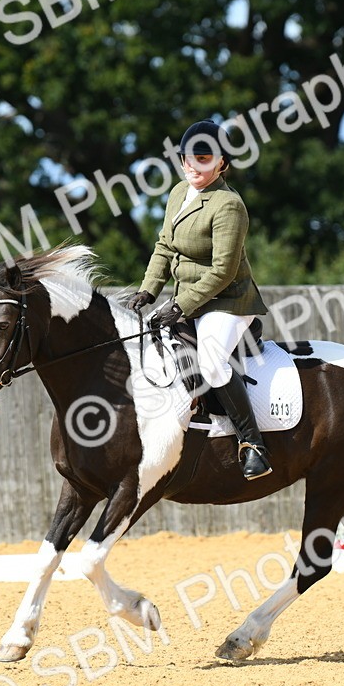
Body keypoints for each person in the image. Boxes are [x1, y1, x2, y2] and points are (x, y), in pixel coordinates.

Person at [125, 119, 272, 481]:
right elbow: (163, 246)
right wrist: (148, 289)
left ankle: (252, 444)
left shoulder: (228, 205)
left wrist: (178, 307)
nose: (192, 166)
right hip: (188, 298)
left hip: (227, 302)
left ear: (222, 162)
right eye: (186, 159)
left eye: (203, 159)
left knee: (210, 361)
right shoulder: (178, 193)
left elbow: (223, 271)